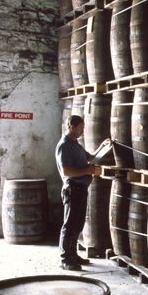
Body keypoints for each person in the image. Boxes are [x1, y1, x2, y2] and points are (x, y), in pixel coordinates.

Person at [55, 114, 111, 270]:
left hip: (81, 189)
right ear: (72, 126)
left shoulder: (75, 144)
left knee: (78, 224)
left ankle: (73, 255)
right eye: (81, 127)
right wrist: (88, 170)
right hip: (72, 188)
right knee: (69, 224)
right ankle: (65, 259)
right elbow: (66, 171)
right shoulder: (64, 145)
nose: (82, 130)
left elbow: (91, 158)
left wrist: (103, 146)